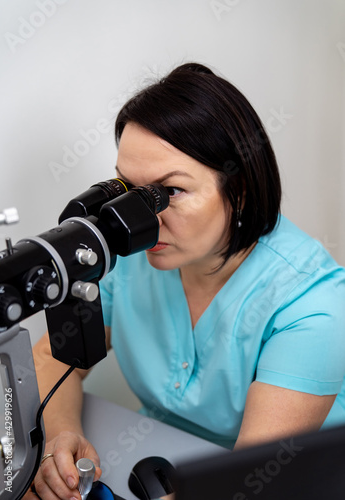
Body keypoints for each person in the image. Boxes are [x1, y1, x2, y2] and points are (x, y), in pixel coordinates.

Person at [27, 63, 345, 500]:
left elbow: (254, 479)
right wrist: (60, 438)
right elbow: (52, 358)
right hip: (158, 456)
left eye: (169, 192)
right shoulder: (136, 256)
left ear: (241, 191)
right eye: (129, 190)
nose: (139, 220)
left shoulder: (313, 304)